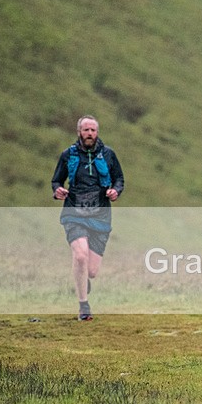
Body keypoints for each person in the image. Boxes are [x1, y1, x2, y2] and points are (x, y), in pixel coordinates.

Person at [51, 115, 125, 321]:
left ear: (97, 132)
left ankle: (82, 279)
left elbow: (119, 178)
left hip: (100, 215)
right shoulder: (68, 155)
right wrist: (58, 190)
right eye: (86, 130)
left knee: (91, 271)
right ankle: (84, 306)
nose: (89, 133)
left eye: (93, 130)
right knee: (80, 255)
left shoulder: (108, 155)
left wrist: (115, 191)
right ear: (79, 132)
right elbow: (56, 180)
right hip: (74, 212)